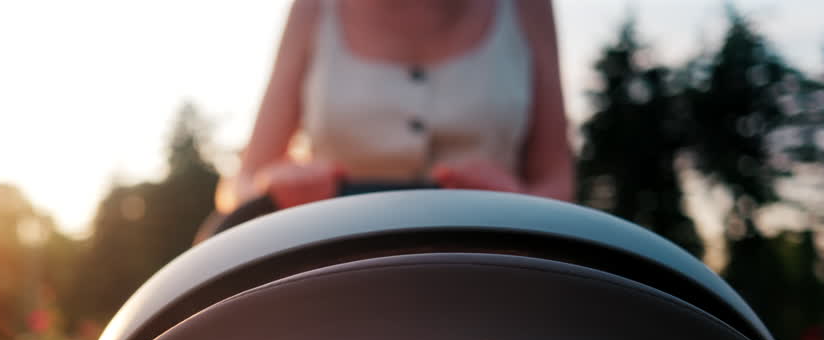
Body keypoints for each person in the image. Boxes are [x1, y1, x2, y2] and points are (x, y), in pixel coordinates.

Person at [214, 0, 573, 218]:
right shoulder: (312, 11)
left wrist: (520, 203)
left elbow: (558, 179)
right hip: (339, 273)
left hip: (493, 269)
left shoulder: (528, 8)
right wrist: (271, 186)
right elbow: (236, 188)